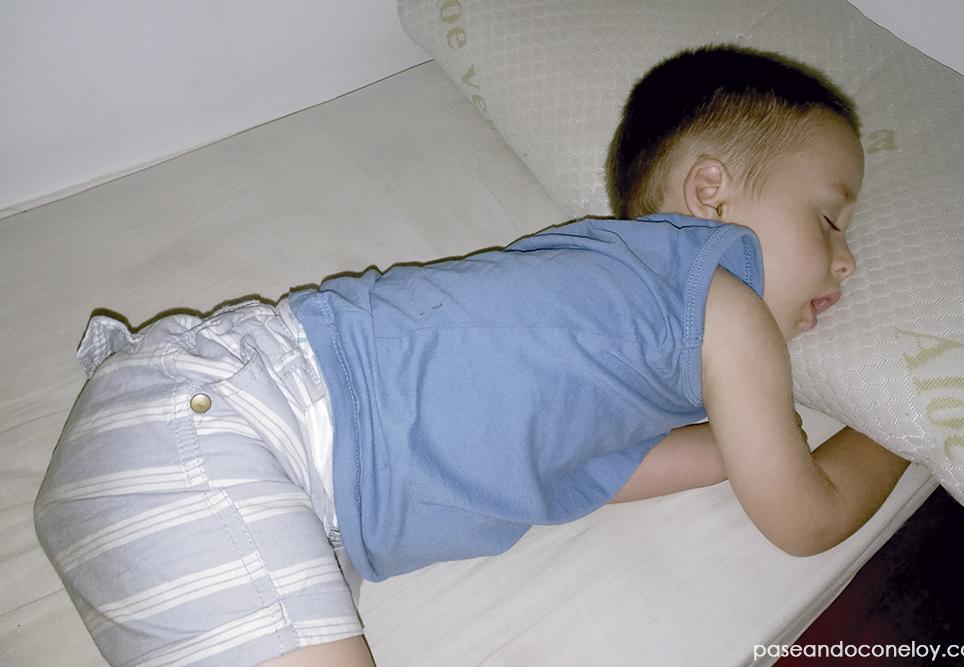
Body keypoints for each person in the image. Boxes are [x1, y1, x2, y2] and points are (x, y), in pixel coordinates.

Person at [34, 45, 908, 667]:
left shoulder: (620, 331)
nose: (847, 260)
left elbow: (637, 462)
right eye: (829, 218)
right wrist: (899, 426)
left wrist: (747, 445)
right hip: (234, 427)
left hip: (240, 475)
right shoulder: (720, 298)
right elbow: (806, 520)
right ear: (710, 195)